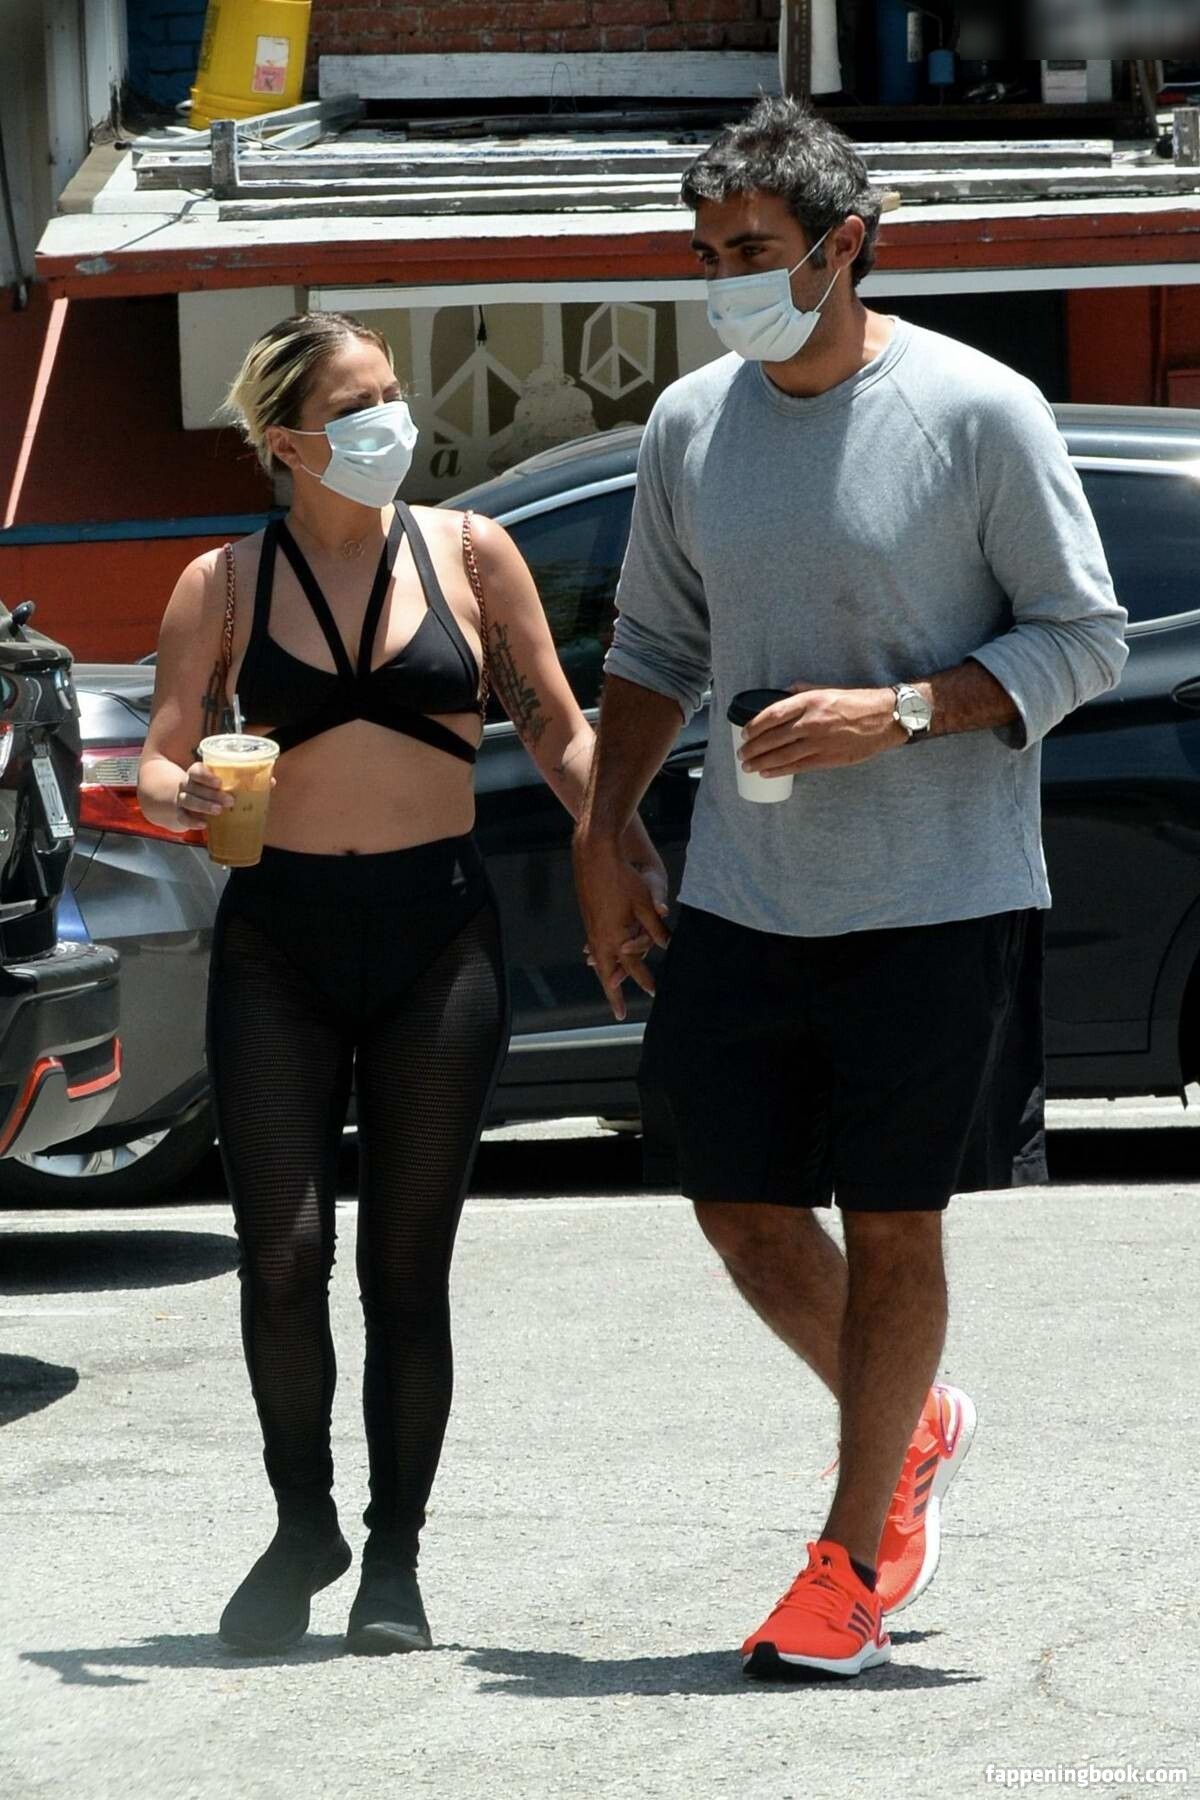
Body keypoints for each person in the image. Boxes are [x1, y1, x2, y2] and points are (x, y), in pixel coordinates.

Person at [573, 98, 1128, 1681]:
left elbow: (1084, 636)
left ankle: (848, 1567)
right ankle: (914, 1423)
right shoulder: (692, 424)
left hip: (942, 895)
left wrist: (898, 712)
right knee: (737, 1207)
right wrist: (607, 833)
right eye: (706, 256)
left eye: (752, 251)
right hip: (750, 894)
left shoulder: (979, 411)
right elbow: (655, 646)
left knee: (894, 1226)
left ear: (847, 244)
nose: (726, 282)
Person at [138, 311, 666, 1657]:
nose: (392, 421)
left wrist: (621, 842)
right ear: (287, 442)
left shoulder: (472, 554)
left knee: (404, 1266)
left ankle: (394, 1555)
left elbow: (558, 729)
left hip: (436, 938)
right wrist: (179, 793)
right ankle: (301, 1522)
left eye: (392, 393)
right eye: (357, 406)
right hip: (280, 939)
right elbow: (162, 754)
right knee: (280, 1256)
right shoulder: (223, 583)